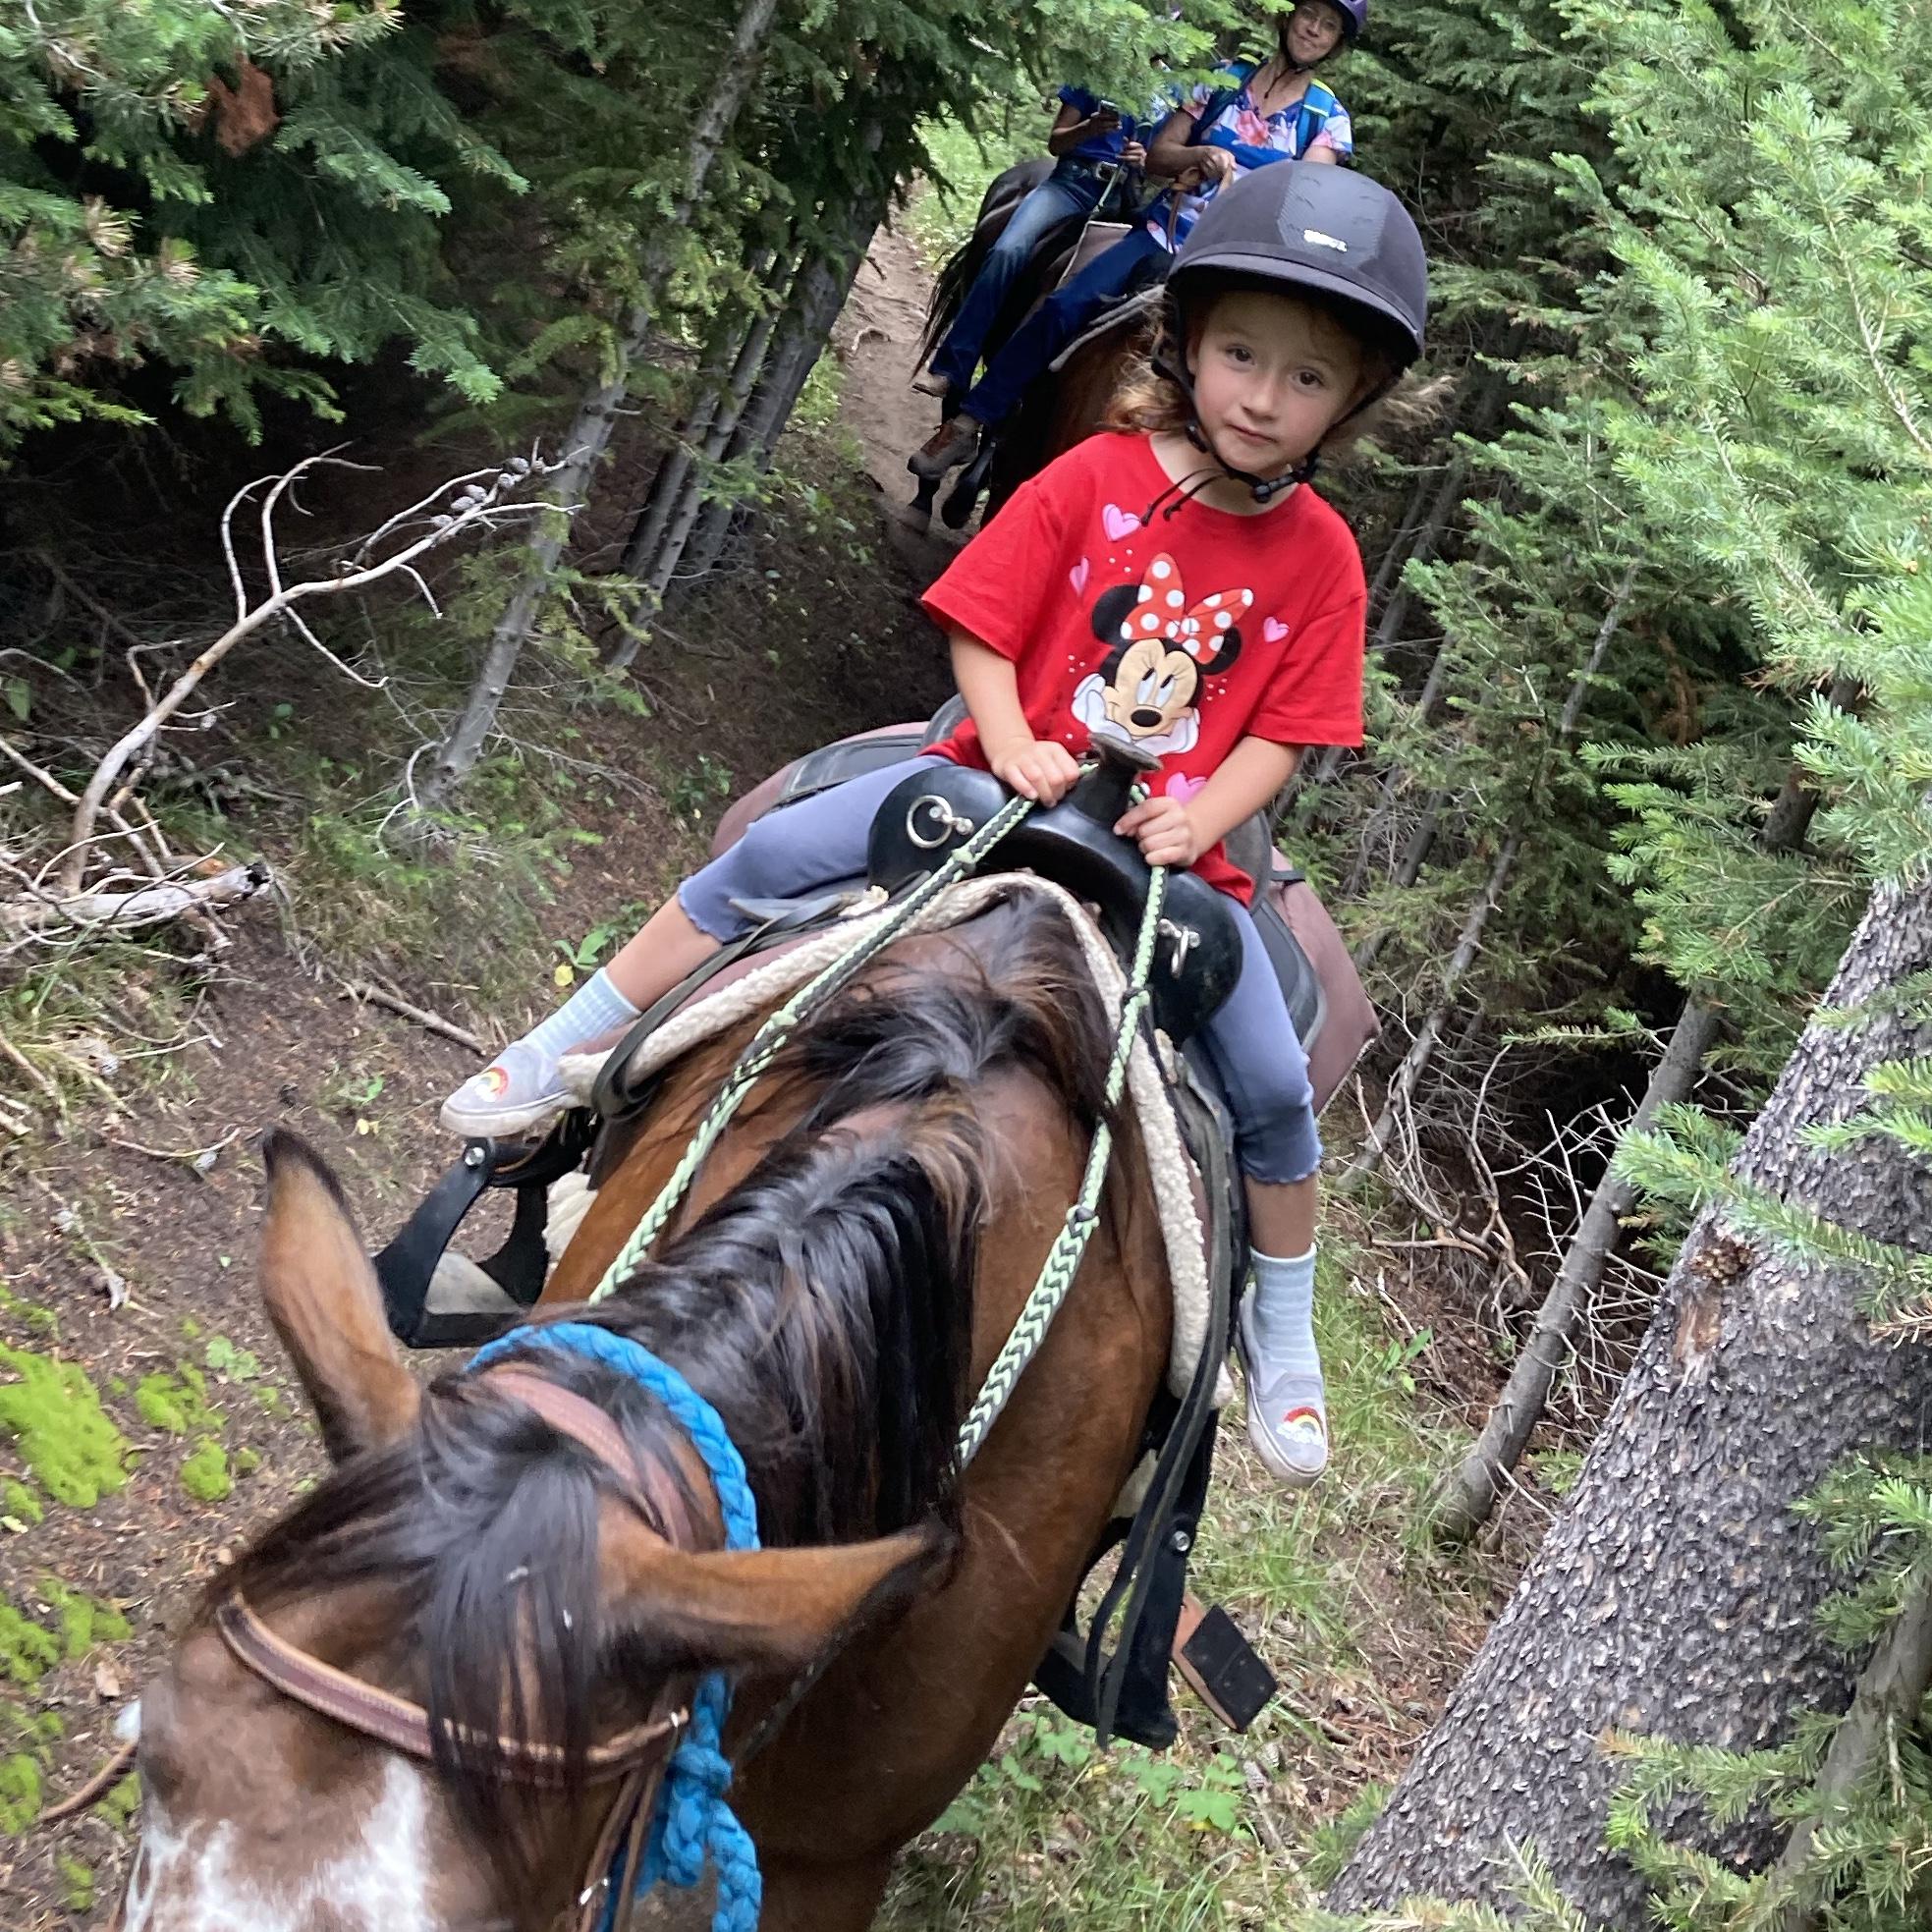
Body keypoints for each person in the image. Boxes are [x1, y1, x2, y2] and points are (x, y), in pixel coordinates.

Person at [441, 162, 1429, 1490]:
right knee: (769, 854)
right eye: (1241, 354)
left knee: (1267, 1078)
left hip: (1165, 844)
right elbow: (981, 618)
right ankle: (564, 1047)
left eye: (1304, 377)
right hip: (997, 779)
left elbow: (1284, 733)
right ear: (1189, 340)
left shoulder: (1322, 558)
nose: (1260, 396)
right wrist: (1009, 736)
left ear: (1349, 400)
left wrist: (1201, 813)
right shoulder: (1093, 473)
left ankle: (1280, 1330)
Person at [910, 0, 1364, 483]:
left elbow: (1302, 206)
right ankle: (971, 421)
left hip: (1231, 266)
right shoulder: (1223, 80)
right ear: (1288, 16)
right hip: (1162, 235)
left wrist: (1247, 192)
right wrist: (1199, 155)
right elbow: (1158, 156)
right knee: (1064, 306)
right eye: (1309, 15)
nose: (1314, 30)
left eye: (1329, 26)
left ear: (1336, 42)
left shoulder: (1325, 119)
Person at [913, 86, 1150, 402]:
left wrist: (1145, 161)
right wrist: (1088, 128)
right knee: (1007, 250)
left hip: (1124, 204)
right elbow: (1056, 142)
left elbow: (1166, 170)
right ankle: (952, 367)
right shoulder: (1095, 77)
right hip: (1070, 187)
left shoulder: (1174, 92)